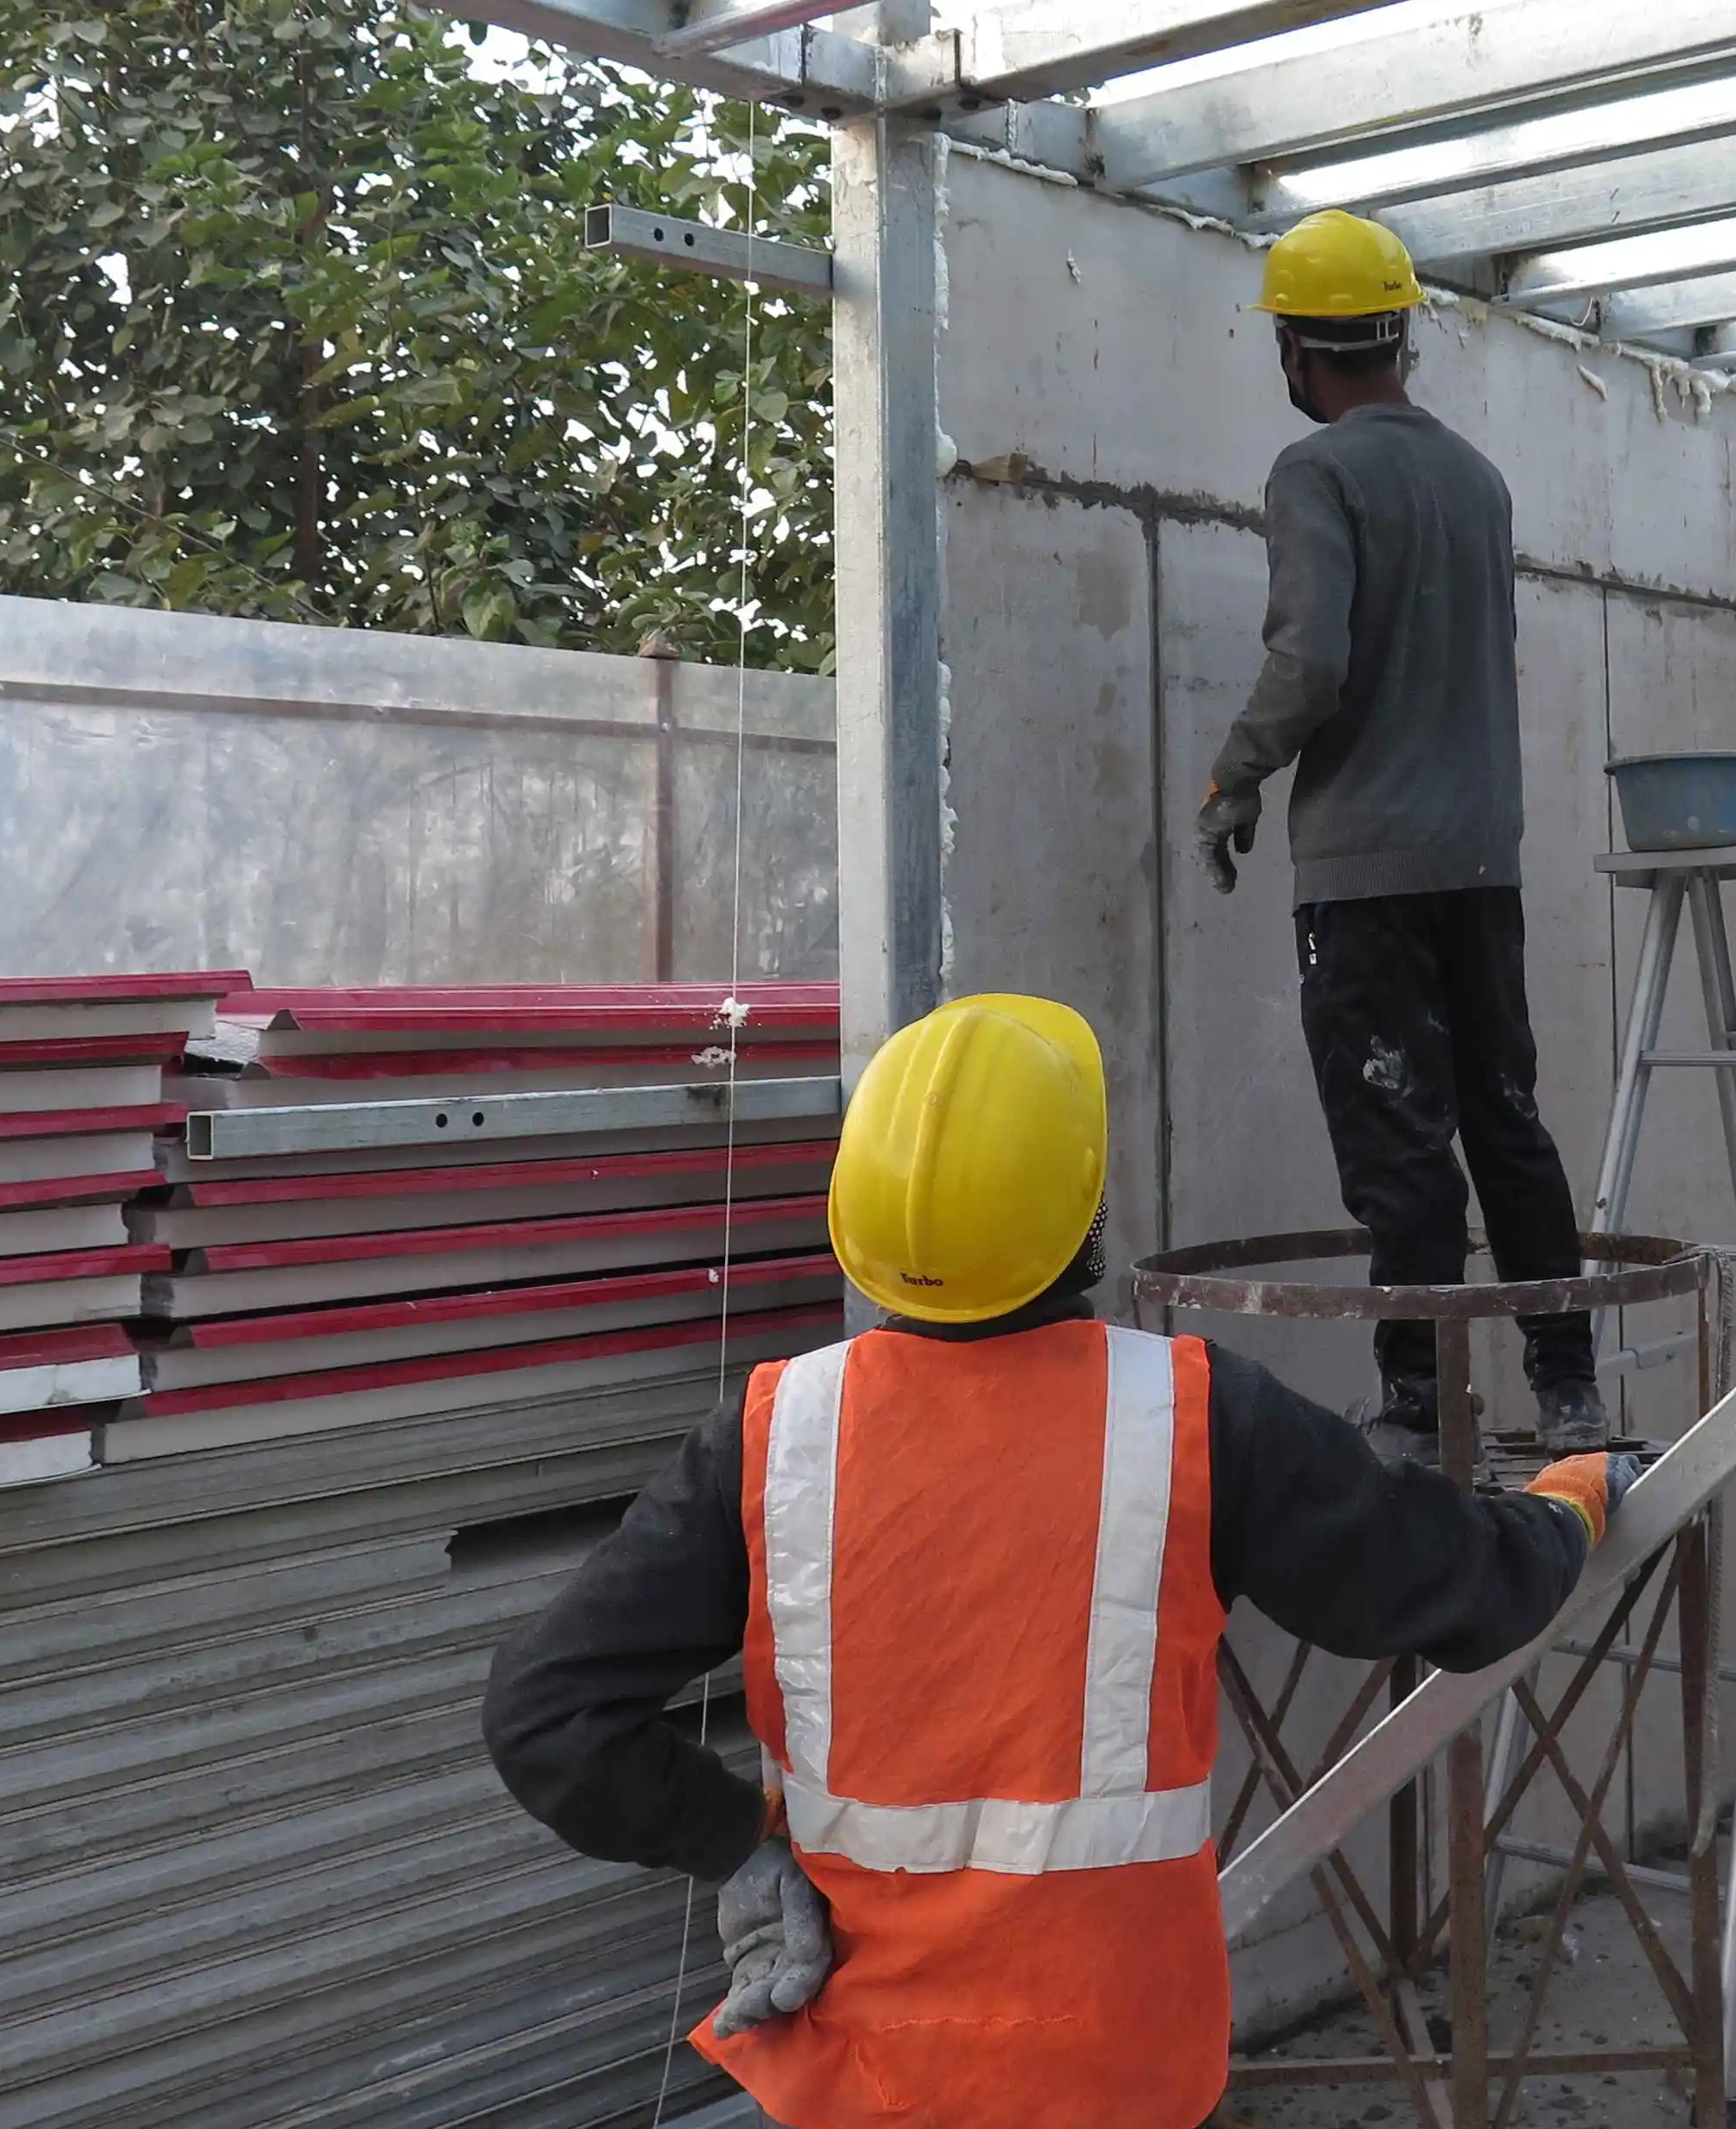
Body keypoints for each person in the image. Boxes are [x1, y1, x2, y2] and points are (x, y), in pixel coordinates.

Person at [483, 991, 1636, 2129]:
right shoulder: (1190, 1417)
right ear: (1079, 1215)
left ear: (856, 1214)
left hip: (869, 2079)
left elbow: (548, 1717)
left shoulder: (775, 1433)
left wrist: (734, 1850)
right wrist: (1568, 1505)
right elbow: (1451, 1591)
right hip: (1116, 2070)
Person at [1196, 207, 1607, 1464]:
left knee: (1396, 1131)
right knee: (1505, 1114)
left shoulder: (1314, 473)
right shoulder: (1478, 480)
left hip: (1369, 874)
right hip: (1482, 865)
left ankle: (1424, 1407)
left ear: (1300, 355)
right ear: (1398, 342)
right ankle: (1568, 1378)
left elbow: (1311, 659)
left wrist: (1236, 774)